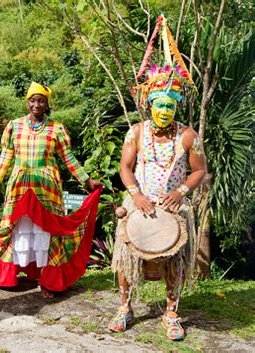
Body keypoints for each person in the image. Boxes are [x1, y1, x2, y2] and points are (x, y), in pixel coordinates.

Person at [0, 82, 102, 299]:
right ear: (27, 102)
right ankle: (2, 277)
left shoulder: (56, 128)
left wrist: (87, 180)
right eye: (33, 100)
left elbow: (67, 158)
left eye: (41, 100)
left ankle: (48, 280)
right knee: (13, 228)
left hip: (47, 189)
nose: (37, 104)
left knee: (48, 230)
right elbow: (5, 159)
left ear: (47, 104)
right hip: (19, 186)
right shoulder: (14, 126)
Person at [108, 64, 206, 340]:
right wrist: (136, 195)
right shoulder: (136, 133)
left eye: (170, 106)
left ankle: (171, 311)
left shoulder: (189, 136)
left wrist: (181, 192)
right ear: (149, 104)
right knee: (127, 257)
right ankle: (125, 307)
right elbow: (125, 167)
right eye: (159, 104)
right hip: (139, 204)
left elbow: (199, 170)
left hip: (174, 207)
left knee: (175, 261)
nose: (164, 111)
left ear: (177, 107)